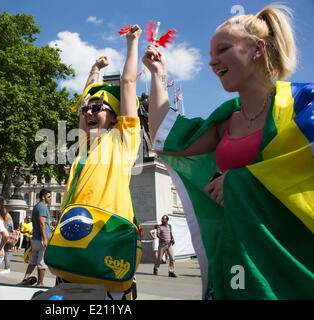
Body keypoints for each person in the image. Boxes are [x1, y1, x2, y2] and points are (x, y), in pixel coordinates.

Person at [144, 4, 313, 299]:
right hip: (235, 257)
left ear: (257, 48)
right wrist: (158, 74)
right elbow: (163, 137)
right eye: (210, 56)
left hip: (293, 258)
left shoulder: (303, 103)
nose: (212, 62)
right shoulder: (226, 118)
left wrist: (239, 179)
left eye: (222, 50)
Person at [51, 25, 142, 300]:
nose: (89, 112)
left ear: (115, 116)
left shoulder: (123, 138)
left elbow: (127, 84)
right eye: (86, 110)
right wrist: (94, 69)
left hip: (107, 242)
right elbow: (86, 96)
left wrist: (131, 43)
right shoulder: (83, 143)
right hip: (72, 247)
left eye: (98, 108)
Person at [21, 189, 51, 287]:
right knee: (42, 262)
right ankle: (40, 283)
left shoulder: (37, 206)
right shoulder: (42, 207)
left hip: (35, 238)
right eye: (49, 197)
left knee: (33, 260)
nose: (50, 199)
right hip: (41, 239)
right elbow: (42, 224)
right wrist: (45, 239)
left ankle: (25, 279)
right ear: (43, 197)